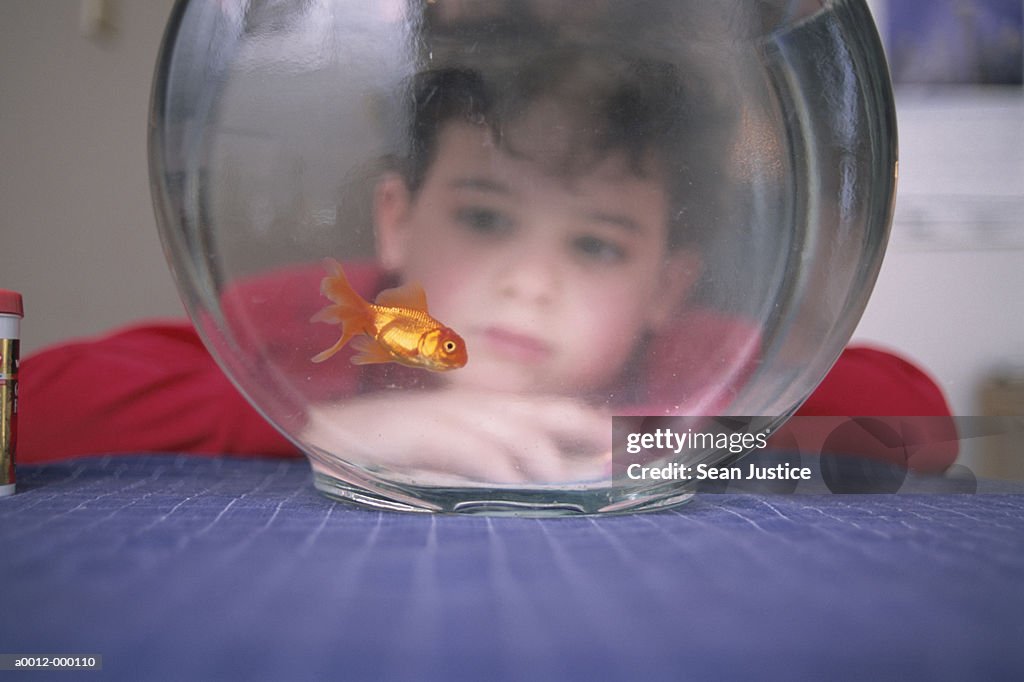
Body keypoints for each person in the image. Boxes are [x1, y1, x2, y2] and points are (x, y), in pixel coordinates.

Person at [18, 50, 955, 483]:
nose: (529, 282)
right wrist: (318, 420)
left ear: (665, 286)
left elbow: (914, 418)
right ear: (398, 219)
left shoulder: (685, 364)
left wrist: (641, 437)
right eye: (484, 216)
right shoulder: (306, 318)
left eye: (594, 244)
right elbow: (39, 401)